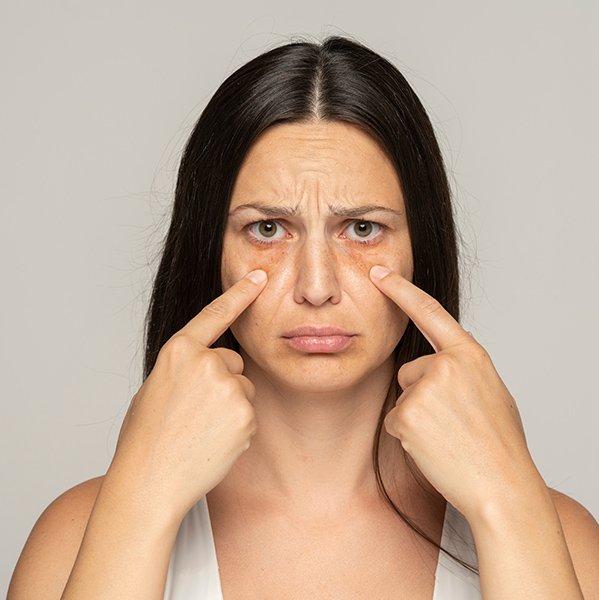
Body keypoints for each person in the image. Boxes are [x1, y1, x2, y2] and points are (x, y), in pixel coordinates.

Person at [8, 35, 599, 600]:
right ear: (209, 252)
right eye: (267, 229)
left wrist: (506, 502)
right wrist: (142, 499)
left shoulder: (558, 539)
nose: (316, 287)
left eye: (362, 229)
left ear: (421, 249)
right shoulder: (76, 537)